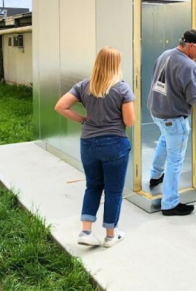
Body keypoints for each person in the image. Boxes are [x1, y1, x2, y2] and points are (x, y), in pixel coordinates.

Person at [55, 47, 135, 248]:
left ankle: (86, 231)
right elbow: (130, 121)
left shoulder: (84, 85)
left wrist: (83, 119)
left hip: (88, 143)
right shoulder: (122, 89)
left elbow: (61, 106)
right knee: (114, 191)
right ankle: (110, 235)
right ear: (116, 64)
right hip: (115, 144)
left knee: (93, 186)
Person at [147, 29, 196, 216]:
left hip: (157, 111)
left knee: (165, 141)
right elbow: (194, 98)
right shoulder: (188, 65)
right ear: (190, 46)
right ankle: (170, 204)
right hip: (174, 118)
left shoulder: (165, 54)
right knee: (176, 161)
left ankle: (155, 176)